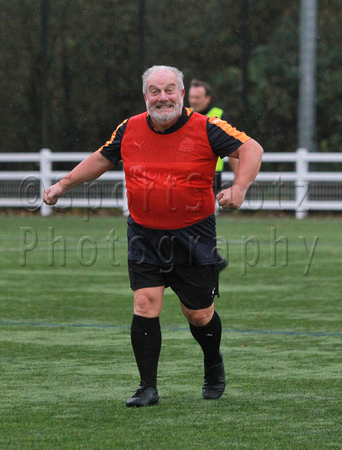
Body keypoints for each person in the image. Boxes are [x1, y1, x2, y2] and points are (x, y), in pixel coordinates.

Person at [43, 65, 263, 408]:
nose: (163, 98)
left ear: (182, 93)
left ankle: (213, 364)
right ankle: (147, 387)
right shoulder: (128, 128)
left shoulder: (206, 126)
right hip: (143, 234)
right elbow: (102, 158)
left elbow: (252, 149)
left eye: (170, 90)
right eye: (155, 91)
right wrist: (63, 184)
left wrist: (240, 188)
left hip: (194, 236)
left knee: (199, 314)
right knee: (144, 303)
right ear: (145, 96)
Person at [188, 78, 239, 271]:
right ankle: (211, 259)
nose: (194, 101)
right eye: (191, 97)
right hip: (188, 176)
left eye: (198, 97)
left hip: (211, 176)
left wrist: (237, 181)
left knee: (200, 218)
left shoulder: (218, 116)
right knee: (192, 218)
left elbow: (235, 148)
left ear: (207, 98)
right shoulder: (185, 116)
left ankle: (211, 259)